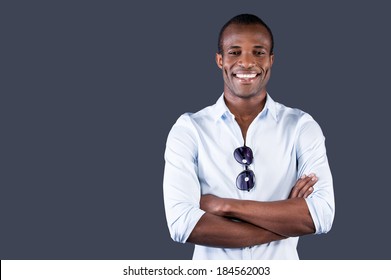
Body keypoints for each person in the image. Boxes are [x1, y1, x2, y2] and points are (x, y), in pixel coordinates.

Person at [163, 13, 335, 260]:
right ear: (219, 60)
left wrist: (225, 206)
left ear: (271, 60)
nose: (246, 62)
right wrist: (286, 220)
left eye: (258, 52)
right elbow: (182, 224)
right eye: (234, 52)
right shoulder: (189, 129)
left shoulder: (300, 126)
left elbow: (322, 215)